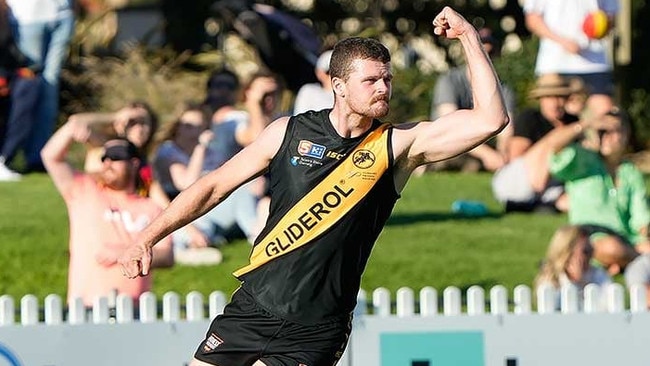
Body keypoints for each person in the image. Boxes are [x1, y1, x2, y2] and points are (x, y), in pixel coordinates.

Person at [119, 7, 508, 366]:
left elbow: (490, 120)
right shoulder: (287, 132)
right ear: (338, 86)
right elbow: (213, 187)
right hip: (253, 308)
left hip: (316, 328)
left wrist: (468, 36)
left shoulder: (398, 145)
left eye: (387, 78)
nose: (383, 88)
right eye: (371, 79)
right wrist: (147, 238)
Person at [41, 120, 173, 307]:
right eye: (104, 157)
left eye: (116, 156)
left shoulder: (151, 208)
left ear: (134, 163)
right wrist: (75, 127)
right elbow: (50, 156)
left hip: (134, 312)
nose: (108, 162)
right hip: (85, 307)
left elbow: (167, 256)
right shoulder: (84, 191)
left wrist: (127, 252)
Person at [546, 109, 650, 272]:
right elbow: (553, 146)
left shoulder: (630, 172)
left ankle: (624, 262)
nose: (606, 136)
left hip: (626, 240)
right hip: (588, 238)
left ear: (626, 135)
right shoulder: (583, 160)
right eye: (602, 131)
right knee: (611, 248)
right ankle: (634, 261)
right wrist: (586, 124)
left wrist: (642, 238)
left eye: (614, 131)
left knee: (631, 247)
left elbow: (641, 221)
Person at [428, 27, 516, 172]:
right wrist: (488, 155)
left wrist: (501, 155)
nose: (485, 59)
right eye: (481, 53)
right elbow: (452, 128)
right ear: (466, 53)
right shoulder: (449, 80)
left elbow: (507, 131)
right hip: (446, 146)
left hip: (477, 149)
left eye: (489, 54)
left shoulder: (503, 88)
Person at [492, 73, 578, 212]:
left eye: (560, 97)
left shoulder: (572, 121)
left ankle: (544, 205)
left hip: (555, 182)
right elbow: (517, 158)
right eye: (550, 97)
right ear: (541, 99)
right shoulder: (530, 118)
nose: (556, 103)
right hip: (521, 178)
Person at [151, 101, 224, 265]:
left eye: (200, 127)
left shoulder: (212, 154)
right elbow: (186, 184)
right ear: (177, 127)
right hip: (173, 206)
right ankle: (185, 251)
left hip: (204, 206)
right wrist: (200, 148)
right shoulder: (168, 151)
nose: (194, 132)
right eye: (188, 126)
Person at [7, 0, 75, 173]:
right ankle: (10, 153)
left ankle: (38, 156)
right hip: (27, 18)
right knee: (29, 89)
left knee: (49, 89)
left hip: (62, 14)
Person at [524, 0, 618, 117]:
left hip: (594, 63)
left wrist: (600, 27)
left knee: (606, 115)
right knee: (553, 116)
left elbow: (611, 15)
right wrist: (563, 42)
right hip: (554, 63)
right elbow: (532, 19)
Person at [0, 0, 38, 181]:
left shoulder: (4, 12)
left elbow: (9, 49)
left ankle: (4, 158)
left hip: (7, 74)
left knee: (29, 86)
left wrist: (23, 67)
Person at [534, 225, 612, 310]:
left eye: (591, 250)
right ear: (567, 253)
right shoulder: (550, 280)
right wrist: (576, 283)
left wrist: (584, 283)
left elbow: (609, 308)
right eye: (585, 252)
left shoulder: (598, 275)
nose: (590, 256)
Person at [292, 49, 334, 115]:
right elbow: (300, 119)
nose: (333, 76)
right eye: (328, 72)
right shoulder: (308, 91)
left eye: (337, 72)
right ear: (319, 73)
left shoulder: (348, 94)